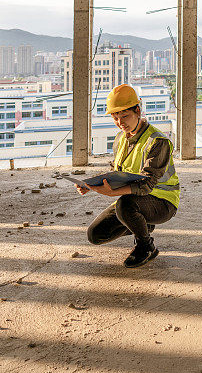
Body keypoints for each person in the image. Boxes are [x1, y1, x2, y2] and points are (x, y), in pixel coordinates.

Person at [76, 84, 179, 268]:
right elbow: (115, 172)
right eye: (115, 117)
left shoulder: (157, 141)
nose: (120, 122)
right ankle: (142, 224)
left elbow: (147, 185)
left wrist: (112, 194)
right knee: (96, 235)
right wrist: (91, 185)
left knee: (124, 204)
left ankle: (146, 246)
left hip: (163, 201)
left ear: (138, 110)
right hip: (135, 200)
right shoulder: (120, 139)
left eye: (125, 116)